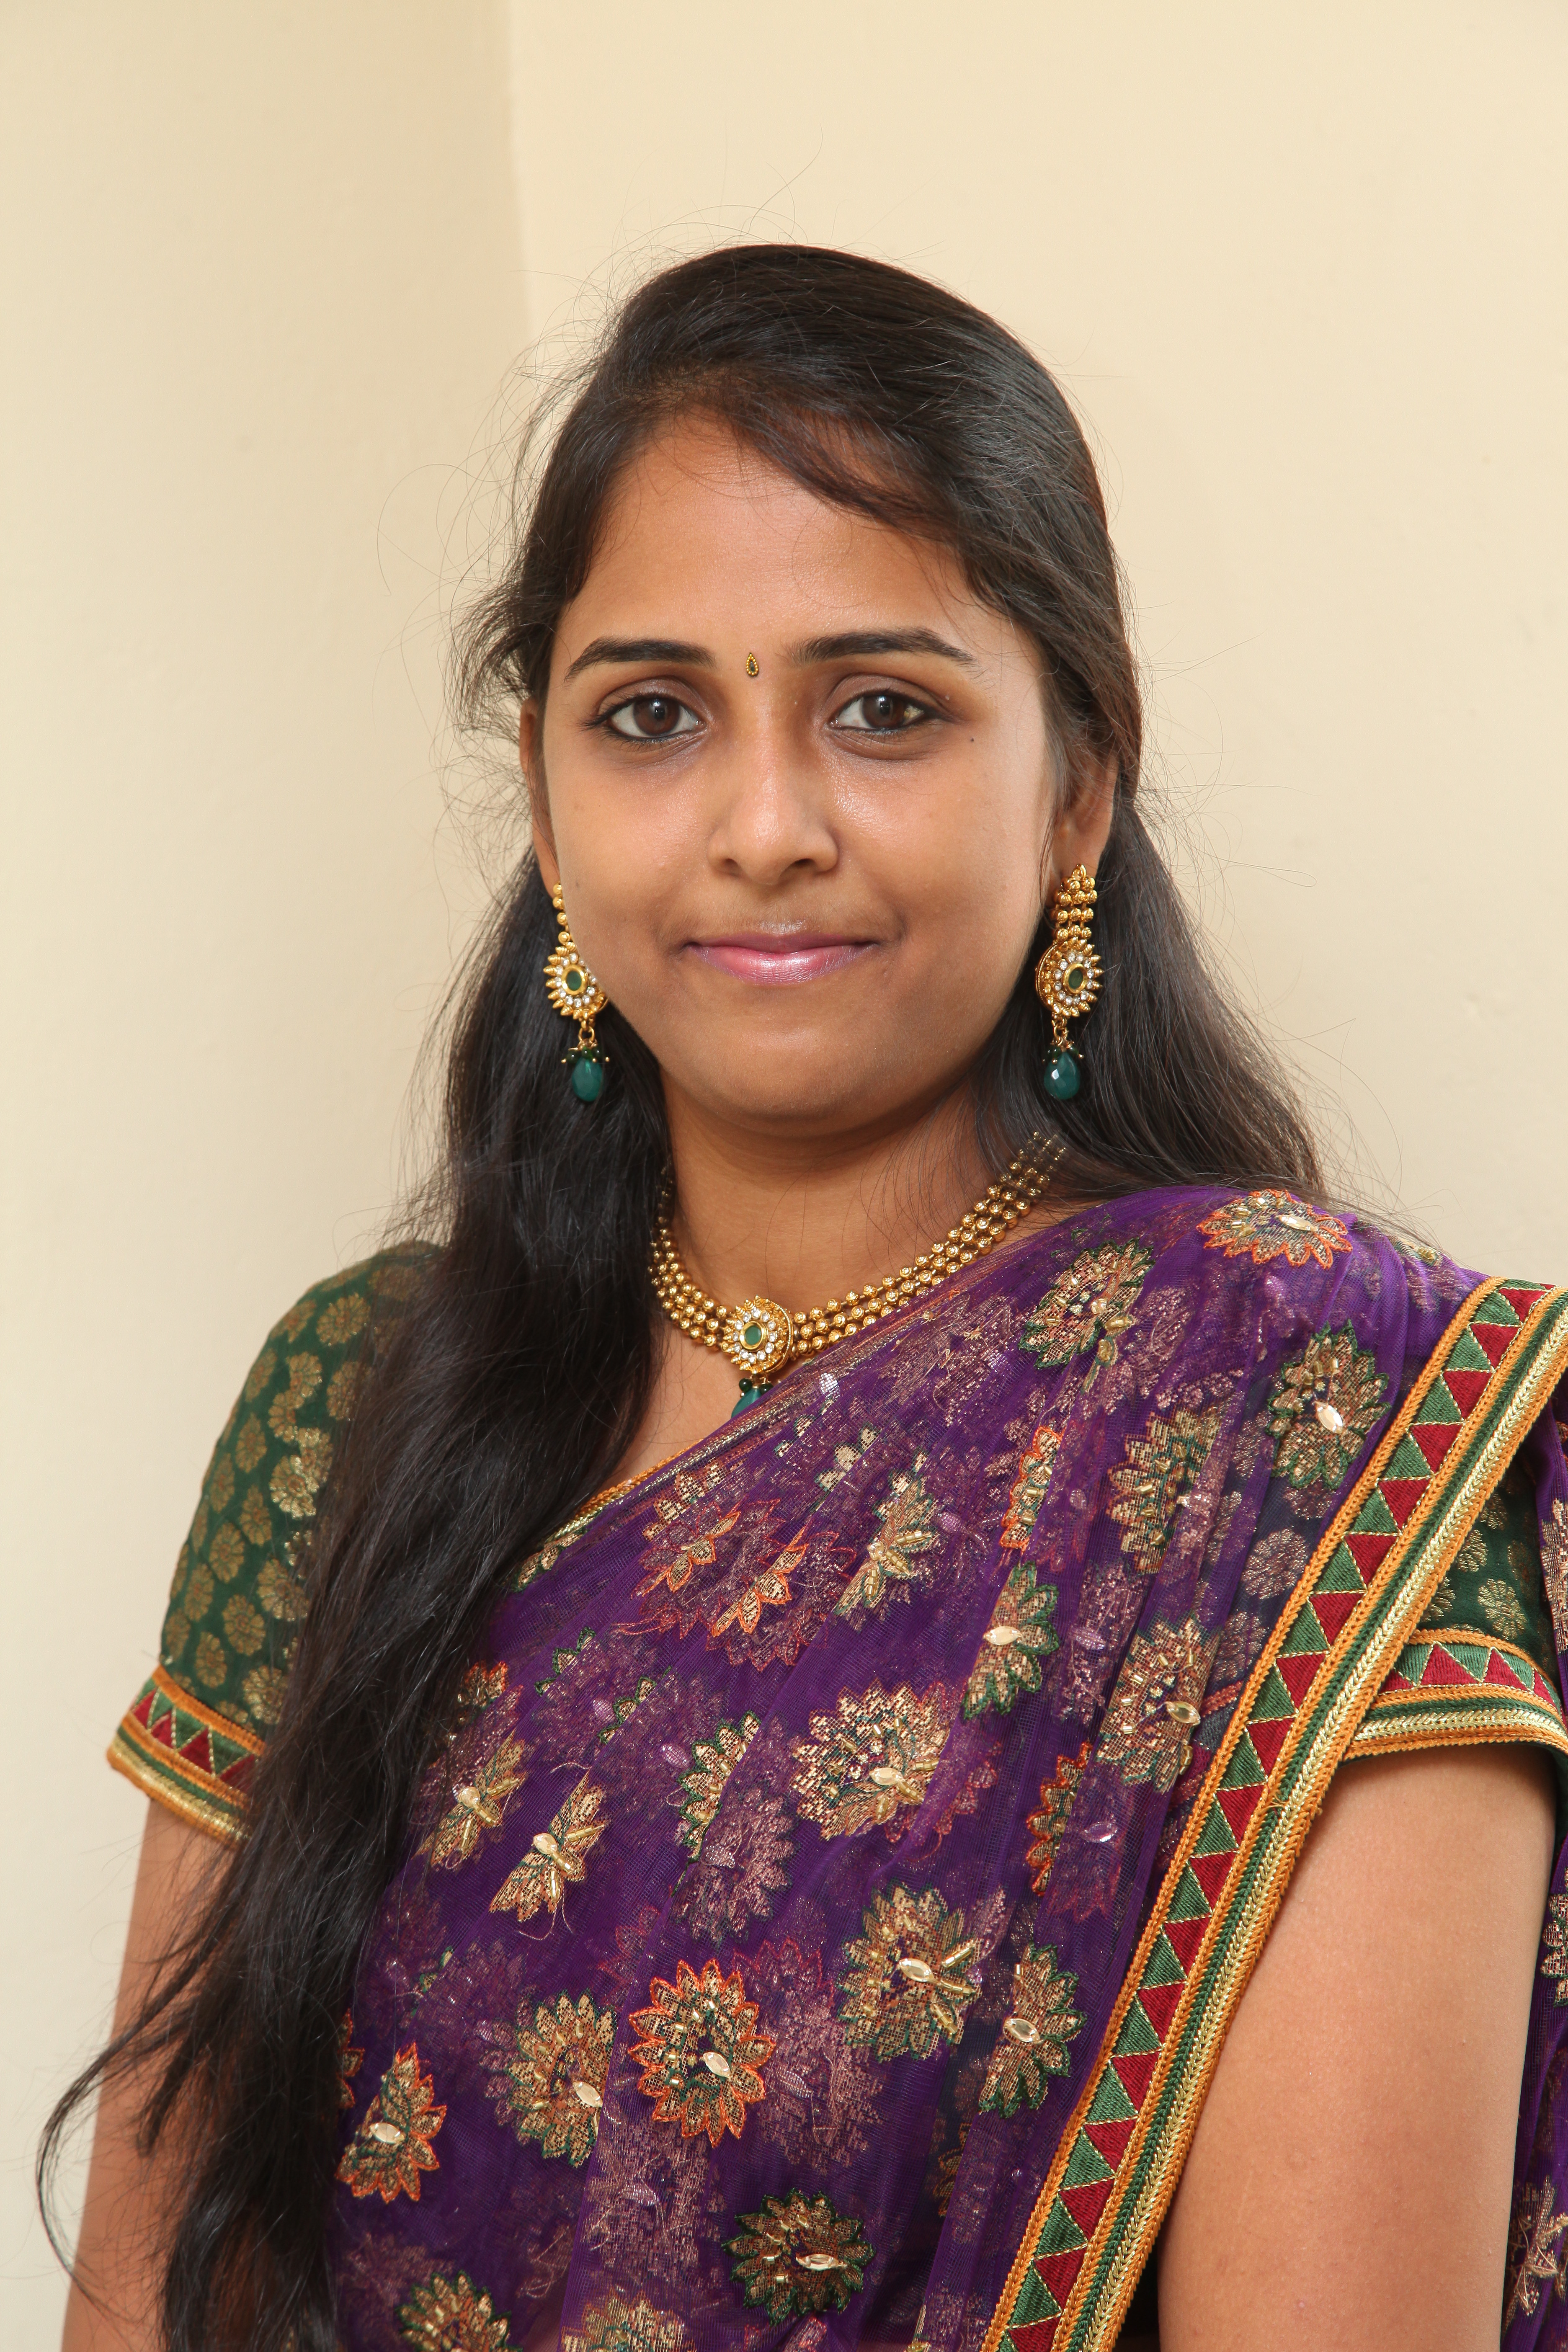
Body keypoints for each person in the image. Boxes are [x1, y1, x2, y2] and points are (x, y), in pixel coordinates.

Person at [49, 245, 1568, 2352]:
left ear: (1079, 786)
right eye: (652, 717)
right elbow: (152, 2294)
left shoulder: (1302, 1427)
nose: (764, 827)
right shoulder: (355, 1403)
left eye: (885, 710)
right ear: (547, 800)